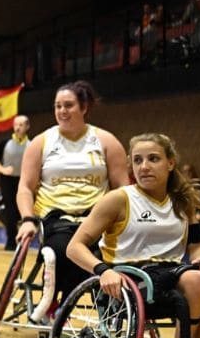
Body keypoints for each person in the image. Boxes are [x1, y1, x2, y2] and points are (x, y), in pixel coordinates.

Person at [66, 133, 200, 338]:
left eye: (153, 159)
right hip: (131, 279)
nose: (144, 166)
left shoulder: (182, 202)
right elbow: (75, 246)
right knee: (197, 281)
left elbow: (196, 245)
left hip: (173, 273)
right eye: (138, 160)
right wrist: (102, 270)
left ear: (170, 163)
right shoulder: (119, 199)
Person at [15, 81, 129, 323]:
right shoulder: (41, 142)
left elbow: (123, 188)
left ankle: (97, 309)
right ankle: (58, 305)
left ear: (84, 107)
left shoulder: (105, 141)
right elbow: (25, 187)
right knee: (63, 251)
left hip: (97, 218)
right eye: (58, 106)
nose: (62, 111)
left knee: (103, 253)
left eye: (68, 105)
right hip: (57, 218)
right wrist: (27, 219)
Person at [0, 115, 30, 249]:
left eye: (21, 125)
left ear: (27, 127)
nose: (18, 127)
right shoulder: (5, 143)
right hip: (7, 180)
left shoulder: (31, 144)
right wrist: (3, 169)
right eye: (16, 125)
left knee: (22, 210)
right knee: (11, 210)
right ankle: (11, 241)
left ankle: (21, 234)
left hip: (24, 181)